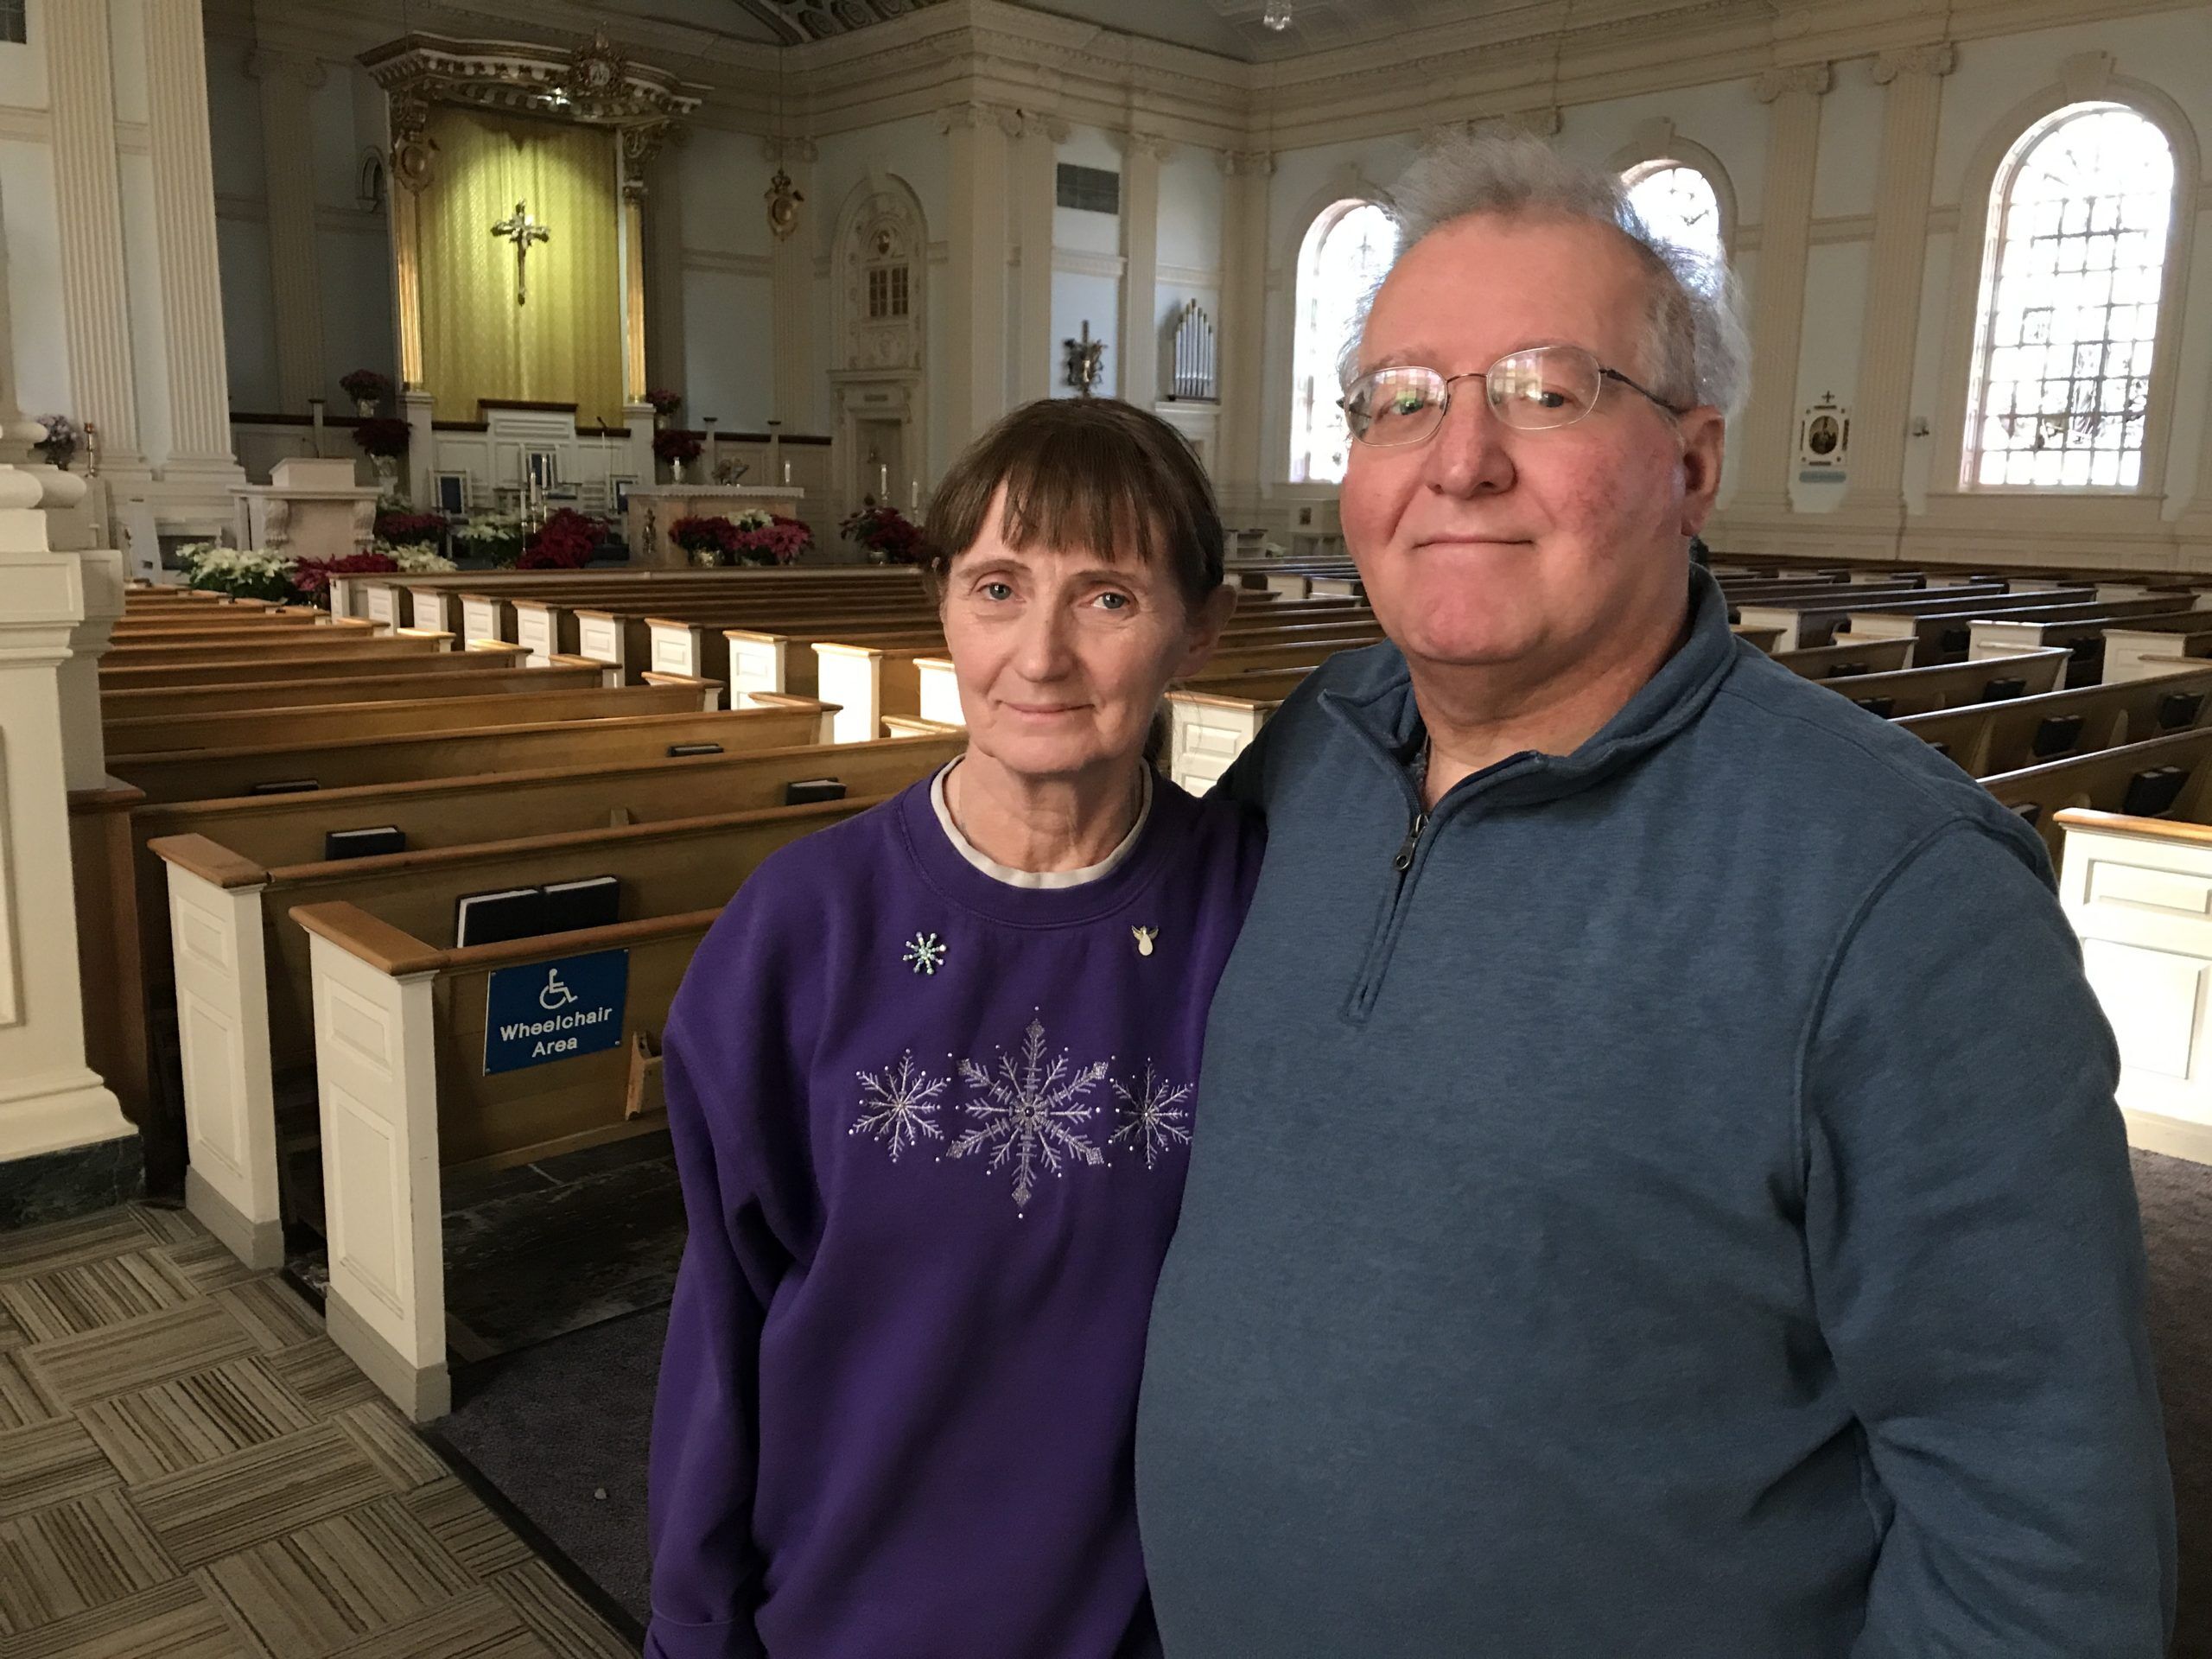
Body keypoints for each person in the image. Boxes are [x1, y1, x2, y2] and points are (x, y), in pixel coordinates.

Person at [1135, 131, 2174, 1655]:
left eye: (1547, 389)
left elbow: (2039, 1534)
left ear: (1691, 465)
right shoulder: (1313, 755)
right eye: (1402, 400)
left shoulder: (1901, 895)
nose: (1460, 456)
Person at [645, 397, 1261, 1659]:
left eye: (1106, 597)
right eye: (995, 587)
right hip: (848, 1611)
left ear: (1201, 630)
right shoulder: (799, 932)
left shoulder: (1258, 917)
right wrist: (692, 1634)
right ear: (940, 604)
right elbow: (722, 1330)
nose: (1038, 656)